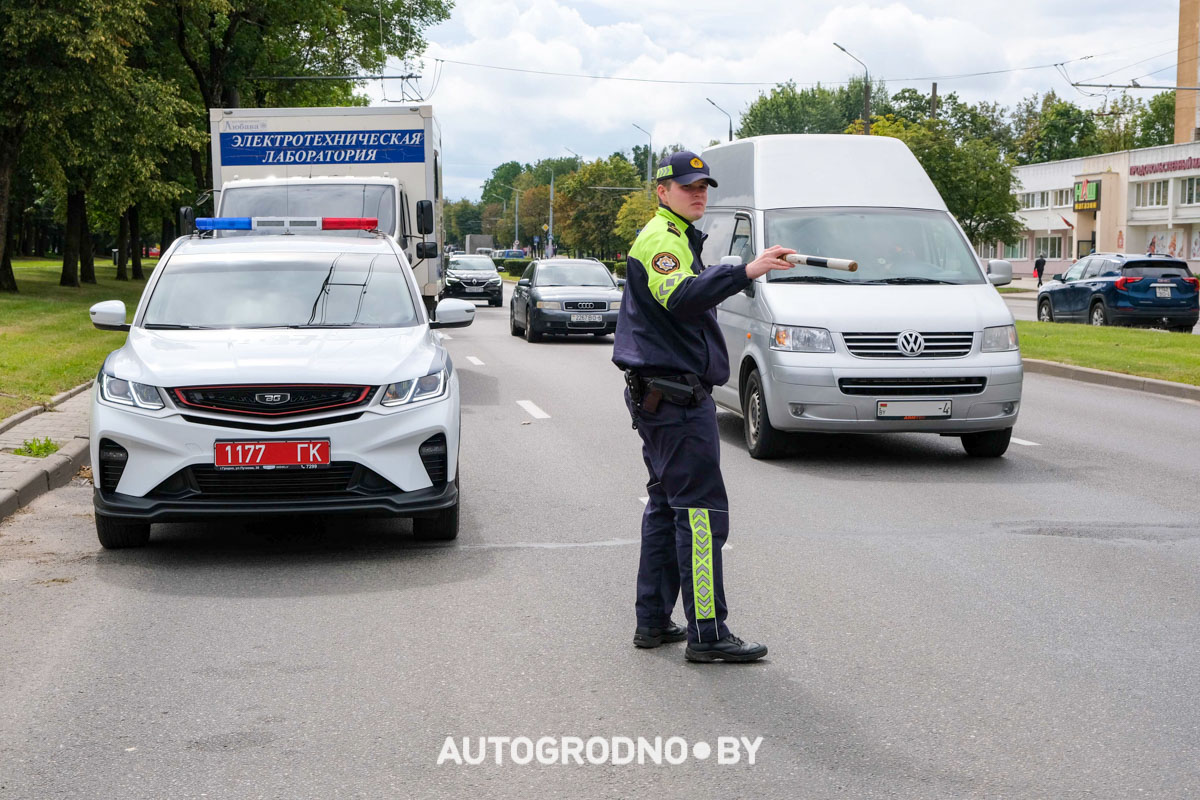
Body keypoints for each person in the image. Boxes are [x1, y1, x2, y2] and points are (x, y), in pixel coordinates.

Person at [612, 150, 794, 663]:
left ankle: (652, 620)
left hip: (665, 398)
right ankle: (708, 634)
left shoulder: (678, 239)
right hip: (674, 403)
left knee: (668, 506)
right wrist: (747, 269)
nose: (698, 194)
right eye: (688, 186)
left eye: (704, 187)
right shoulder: (660, 239)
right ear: (662, 192)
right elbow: (683, 296)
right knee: (700, 517)